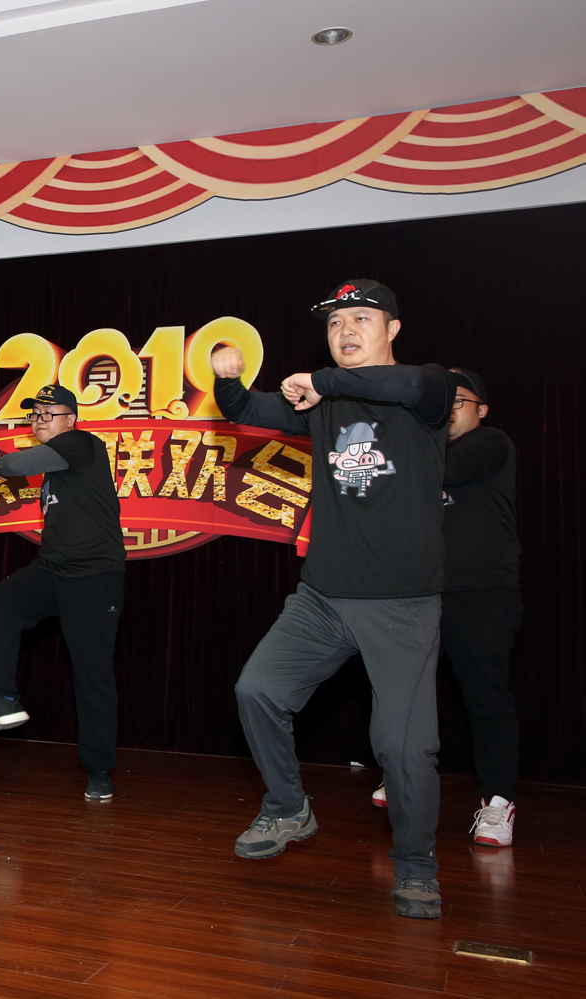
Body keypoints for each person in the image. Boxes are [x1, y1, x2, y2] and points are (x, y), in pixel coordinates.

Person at [213, 279, 454, 920]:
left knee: (402, 747)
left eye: (361, 319)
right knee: (257, 690)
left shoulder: (429, 388)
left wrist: (323, 381)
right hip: (322, 598)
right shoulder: (325, 402)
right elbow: (249, 411)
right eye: (334, 323)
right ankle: (289, 807)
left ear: (392, 329)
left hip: (401, 605)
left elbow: (407, 385)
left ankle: (416, 867)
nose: (345, 330)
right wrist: (227, 382)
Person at [369, 368, 521, 847]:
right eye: (441, 400)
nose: (449, 408)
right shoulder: (417, 453)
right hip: (419, 592)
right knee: (405, 693)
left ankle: (498, 802)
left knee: (486, 698)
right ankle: (402, 776)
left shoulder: (491, 443)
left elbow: (447, 470)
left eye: (459, 400)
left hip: (481, 593)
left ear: (481, 409)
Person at [0, 384, 127, 801]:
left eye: (48, 414)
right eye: (34, 414)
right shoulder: (57, 470)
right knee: (5, 599)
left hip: (94, 578)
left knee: (92, 674)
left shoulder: (82, 444)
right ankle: (1, 698)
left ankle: (99, 768)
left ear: (71, 419)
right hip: (54, 571)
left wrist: (1, 465)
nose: (38, 421)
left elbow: (16, 464)